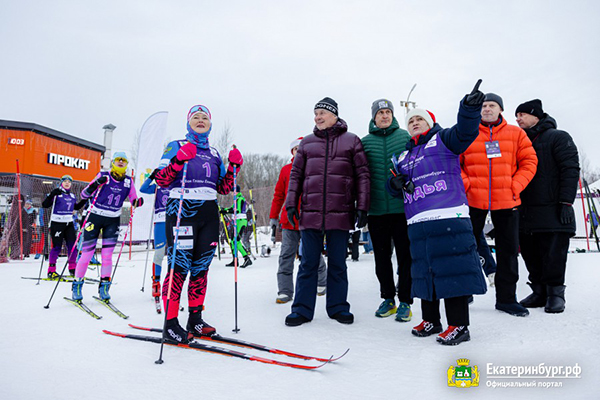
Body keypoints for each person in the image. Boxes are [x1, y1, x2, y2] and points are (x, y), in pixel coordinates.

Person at [387, 80, 488, 345]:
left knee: (452, 271)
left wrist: (468, 109)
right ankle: (431, 320)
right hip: (418, 222)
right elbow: (395, 187)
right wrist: (393, 185)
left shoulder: (443, 140)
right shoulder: (403, 156)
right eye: (410, 121)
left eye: (419, 119)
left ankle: (459, 325)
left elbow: (466, 132)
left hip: (448, 217)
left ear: (430, 122)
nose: (414, 123)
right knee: (423, 271)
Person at [155, 104, 242, 343]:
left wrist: (234, 168)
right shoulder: (176, 145)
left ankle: (195, 320)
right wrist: (177, 161)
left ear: (210, 125)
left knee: (201, 268)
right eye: (196, 117)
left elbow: (224, 188)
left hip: (208, 213)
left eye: (205, 117)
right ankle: (170, 324)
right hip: (182, 211)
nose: (201, 120)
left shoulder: (214, 153)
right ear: (188, 122)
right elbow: (161, 180)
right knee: (178, 267)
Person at [284, 97, 370, 326]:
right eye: (315, 114)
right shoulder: (307, 143)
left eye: (322, 113)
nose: (318, 117)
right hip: (310, 213)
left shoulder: (352, 141)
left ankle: (338, 306)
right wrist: (291, 203)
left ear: (334, 115)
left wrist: (362, 206)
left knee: (338, 263)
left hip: (340, 212)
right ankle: (301, 309)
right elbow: (296, 176)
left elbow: (362, 175)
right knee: (307, 263)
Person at [460, 93, 538, 317]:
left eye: (491, 105)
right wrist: (469, 185)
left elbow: (530, 161)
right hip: (474, 200)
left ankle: (506, 298)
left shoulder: (516, 133)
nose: (487, 109)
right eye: (484, 105)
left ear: (500, 109)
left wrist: (516, 185)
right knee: (466, 247)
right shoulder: (468, 132)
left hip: (507, 200)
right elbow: (456, 162)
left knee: (509, 252)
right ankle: (465, 292)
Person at [515, 99, 580, 313]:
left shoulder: (558, 137)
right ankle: (539, 291)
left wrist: (565, 202)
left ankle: (555, 293)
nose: (518, 119)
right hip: (525, 210)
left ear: (536, 116)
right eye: (517, 115)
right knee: (530, 253)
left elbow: (570, 169)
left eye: (522, 114)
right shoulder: (518, 142)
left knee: (553, 253)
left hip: (553, 207)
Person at [361, 98, 413, 322]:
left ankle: (406, 302)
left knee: (406, 258)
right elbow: (360, 174)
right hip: (377, 211)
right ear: (374, 117)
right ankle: (388, 299)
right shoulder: (364, 142)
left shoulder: (405, 137)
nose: (384, 116)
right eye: (380, 112)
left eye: (388, 112)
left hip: (403, 209)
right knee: (382, 259)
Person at [72, 152, 142, 301]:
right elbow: (84, 195)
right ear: (113, 162)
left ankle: (104, 287)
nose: (121, 162)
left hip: (113, 219)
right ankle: (77, 285)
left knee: (107, 256)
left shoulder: (129, 181)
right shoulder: (103, 175)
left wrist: (137, 202)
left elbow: (133, 198)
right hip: (95, 216)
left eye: (124, 160)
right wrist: (97, 184)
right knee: (87, 253)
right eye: (118, 160)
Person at [269, 137, 327, 304]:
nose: (299, 151)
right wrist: (273, 216)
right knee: (286, 255)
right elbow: (279, 195)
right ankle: (285, 290)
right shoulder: (286, 170)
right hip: (289, 222)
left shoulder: (315, 168)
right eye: (296, 149)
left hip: (310, 220)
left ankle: (321, 282)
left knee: (312, 253)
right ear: (292, 152)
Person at [41, 175, 84, 278]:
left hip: (68, 224)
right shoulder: (57, 194)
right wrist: (51, 195)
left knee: (72, 247)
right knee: (57, 247)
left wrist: (85, 200)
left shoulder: (72, 196)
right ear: (61, 183)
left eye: (69, 181)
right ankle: (51, 271)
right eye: (65, 181)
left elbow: (76, 207)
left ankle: (73, 269)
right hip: (57, 223)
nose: (67, 183)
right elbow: (45, 205)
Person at [140, 168, 170, 300]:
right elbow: (143, 189)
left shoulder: (176, 184)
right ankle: (156, 283)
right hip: (160, 222)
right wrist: (152, 176)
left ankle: (172, 282)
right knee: (159, 253)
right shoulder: (157, 187)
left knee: (175, 254)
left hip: (174, 222)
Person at [220, 185, 253, 268]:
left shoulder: (240, 199)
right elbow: (231, 208)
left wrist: (227, 211)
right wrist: (224, 210)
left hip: (241, 222)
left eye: (231, 192)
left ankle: (247, 259)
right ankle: (235, 260)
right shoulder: (236, 199)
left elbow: (236, 210)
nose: (231, 194)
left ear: (235, 191)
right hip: (237, 222)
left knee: (236, 241)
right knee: (232, 241)